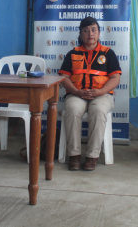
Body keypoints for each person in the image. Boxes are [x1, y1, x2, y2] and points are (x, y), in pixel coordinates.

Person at [58, 17, 121, 171]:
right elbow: (63, 77)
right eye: (86, 31)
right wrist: (76, 91)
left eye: (93, 30)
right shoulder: (72, 53)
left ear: (99, 33)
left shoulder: (108, 53)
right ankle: (74, 155)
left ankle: (92, 156)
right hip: (76, 94)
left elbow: (115, 78)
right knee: (72, 110)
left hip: (102, 95)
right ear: (80, 34)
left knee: (98, 111)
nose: (90, 34)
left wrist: (100, 91)